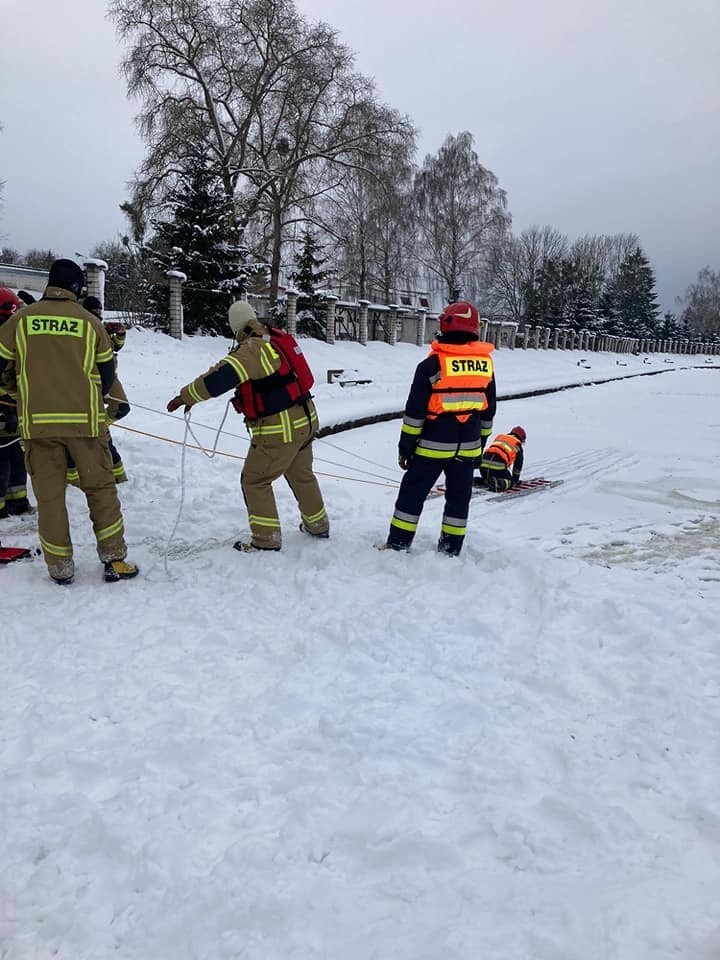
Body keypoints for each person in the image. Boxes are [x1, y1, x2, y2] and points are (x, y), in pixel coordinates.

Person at [0, 259, 139, 584]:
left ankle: (60, 568)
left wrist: (15, 389)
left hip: (38, 427)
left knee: (49, 500)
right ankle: (114, 560)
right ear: (77, 288)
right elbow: (107, 376)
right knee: (101, 491)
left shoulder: (21, 320)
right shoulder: (89, 322)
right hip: (86, 426)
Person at [166, 300, 329, 551]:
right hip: (305, 420)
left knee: (254, 480)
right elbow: (275, 381)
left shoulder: (252, 347)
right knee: (302, 475)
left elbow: (219, 378)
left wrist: (185, 396)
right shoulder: (274, 337)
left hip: (280, 430)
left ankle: (266, 541)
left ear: (235, 327)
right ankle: (318, 526)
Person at [381, 300, 496, 557]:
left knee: (412, 495)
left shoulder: (430, 366)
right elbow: (488, 413)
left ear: (444, 325)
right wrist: (480, 447)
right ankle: (450, 549)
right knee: (458, 500)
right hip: (467, 449)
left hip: (431, 448)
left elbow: (414, 414)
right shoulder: (485, 366)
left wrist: (406, 449)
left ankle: (398, 545)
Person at [82, 295, 129, 482]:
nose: (98, 315)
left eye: (99, 312)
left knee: (123, 407)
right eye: (94, 312)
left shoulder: (101, 327)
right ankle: (115, 476)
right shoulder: (85, 325)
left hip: (111, 377)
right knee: (102, 438)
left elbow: (115, 347)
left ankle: (102, 424)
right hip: (93, 381)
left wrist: (120, 334)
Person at [0, 288, 32, 518]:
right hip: (5, 411)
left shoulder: (12, 333)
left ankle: (18, 501)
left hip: (13, 410)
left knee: (16, 458)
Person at [478, 426, 527, 491]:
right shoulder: (517, 444)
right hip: (498, 466)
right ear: (521, 438)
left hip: (483, 464)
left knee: (487, 478)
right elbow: (518, 465)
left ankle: (477, 480)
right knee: (510, 482)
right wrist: (515, 480)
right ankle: (497, 483)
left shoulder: (501, 437)